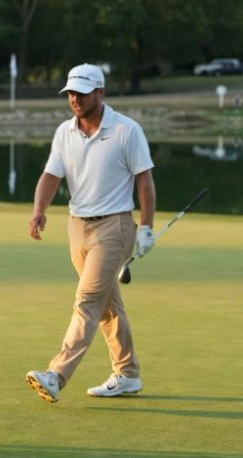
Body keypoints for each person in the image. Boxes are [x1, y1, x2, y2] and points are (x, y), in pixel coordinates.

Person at [25, 63, 156, 403]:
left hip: (115, 226)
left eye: (81, 93)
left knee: (86, 302)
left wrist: (146, 227)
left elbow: (145, 182)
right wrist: (39, 209)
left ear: (100, 92)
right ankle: (128, 374)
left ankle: (56, 374)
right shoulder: (64, 132)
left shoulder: (127, 130)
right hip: (77, 227)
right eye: (70, 93)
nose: (75, 99)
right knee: (107, 305)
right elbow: (51, 176)